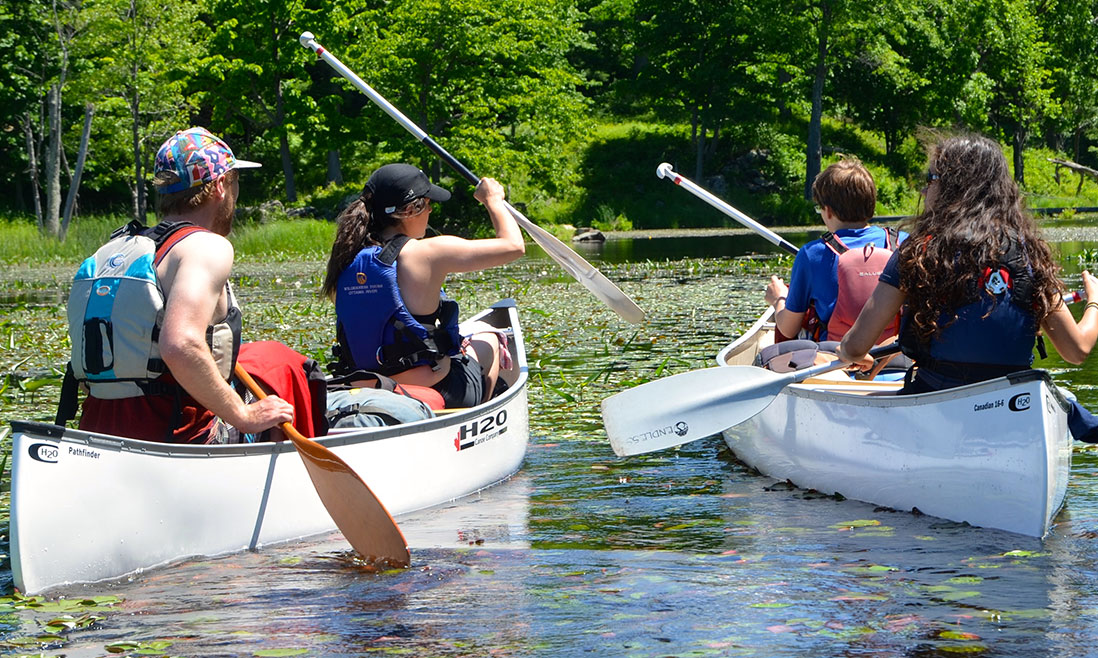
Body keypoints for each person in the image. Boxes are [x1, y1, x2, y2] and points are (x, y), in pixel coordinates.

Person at [836, 135, 1098, 439]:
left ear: (951, 187)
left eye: (930, 178)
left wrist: (843, 350)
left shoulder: (917, 251)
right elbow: (1077, 350)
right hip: (1011, 407)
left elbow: (856, 347)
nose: (924, 188)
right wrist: (1094, 302)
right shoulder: (1028, 254)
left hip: (936, 401)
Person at [63, 127, 295, 443]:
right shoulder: (206, 247)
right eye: (235, 182)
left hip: (97, 435)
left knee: (263, 360)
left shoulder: (112, 250)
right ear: (220, 186)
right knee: (288, 374)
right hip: (177, 437)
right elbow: (181, 345)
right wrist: (244, 415)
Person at [321, 163, 525, 408]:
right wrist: (493, 200)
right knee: (490, 338)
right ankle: (479, 413)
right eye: (428, 204)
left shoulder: (345, 260)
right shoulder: (427, 252)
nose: (430, 212)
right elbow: (514, 246)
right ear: (411, 209)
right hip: (435, 387)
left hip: (365, 385)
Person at [765, 157, 907, 344]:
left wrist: (778, 299)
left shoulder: (811, 254)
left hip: (836, 363)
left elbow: (789, 329)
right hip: (894, 357)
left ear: (828, 211)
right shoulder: (904, 242)